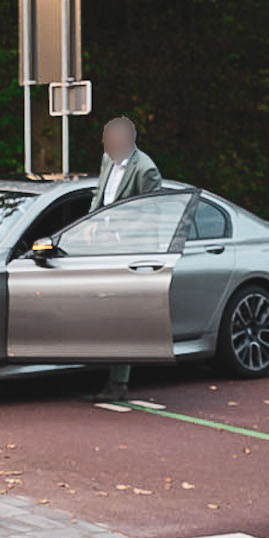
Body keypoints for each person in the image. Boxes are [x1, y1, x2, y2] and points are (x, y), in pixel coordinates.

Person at [92, 114, 162, 399]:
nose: (106, 146)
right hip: (102, 249)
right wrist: (89, 226)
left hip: (128, 252)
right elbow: (100, 196)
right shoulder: (108, 161)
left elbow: (151, 214)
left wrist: (118, 234)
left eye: (110, 141)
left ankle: (118, 382)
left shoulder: (146, 170)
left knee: (119, 317)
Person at [94, 115, 161, 209]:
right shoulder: (107, 158)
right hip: (102, 220)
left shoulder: (146, 169)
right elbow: (98, 194)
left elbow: (150, 210)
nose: (106, 146)